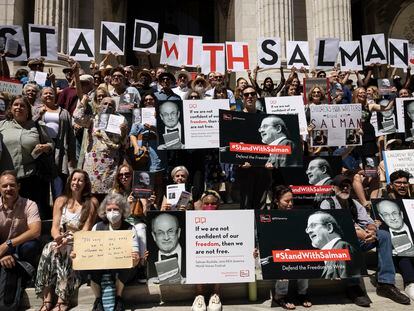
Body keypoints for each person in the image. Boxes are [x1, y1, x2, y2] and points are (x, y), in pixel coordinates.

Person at [320, 174, 411, 306]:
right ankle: (353, 286)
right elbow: (335, 228)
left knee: (384, 235)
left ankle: (386, 283)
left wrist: (372, 231)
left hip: (362, 238)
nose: (345, 188)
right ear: (333, 188)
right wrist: (358, 234)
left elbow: (368, 221)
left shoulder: (354, 203)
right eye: (341, 186)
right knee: (347, 241)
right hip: (340, 244)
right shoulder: (327, 203)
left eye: (348, 186)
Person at [35, 169, 98, 311]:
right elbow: (54, 228)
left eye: (80, 180)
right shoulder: (60, 200)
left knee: (66, 250)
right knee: (49, 248)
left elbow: (86, 230)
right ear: (70, 181)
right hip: (61, 239)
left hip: (79, 242)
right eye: (74, 179)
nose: (76, 183)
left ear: (86, 183)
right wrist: (58, 238)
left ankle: (63, 299)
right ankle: (47, 299)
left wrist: (68, 239)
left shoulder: (91, 202)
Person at [72, 193, 141, 311]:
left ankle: (118, 297)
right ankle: (98, 299)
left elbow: (135, 252)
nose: (112, 212)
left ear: (123, 211)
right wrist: (77, 255)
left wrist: (135, 257)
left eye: (116, 209)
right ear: (104, 211)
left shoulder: (130, 228)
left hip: (121, 269)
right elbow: (89, 250)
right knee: (84, 266)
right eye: (109, 209)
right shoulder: (97, 227)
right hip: (101, 266)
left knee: (129, 264)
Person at [0, 95, 54, 219]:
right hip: (7, 179)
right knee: (7, 212)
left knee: (29, 213)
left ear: (28, 110)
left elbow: (51, 143)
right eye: (16, 105)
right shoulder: (2, 126)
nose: (19, 107)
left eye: (22, 105)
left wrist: (45, 147)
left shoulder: (37, 126)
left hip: (30, 177)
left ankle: (31, 237)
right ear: (11, 108)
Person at [74, 96, 128, 201]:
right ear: (99, 106)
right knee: (91, 195)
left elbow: (124, 144)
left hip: (110, 165)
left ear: (115, 109)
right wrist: (83, 101)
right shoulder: (92, 120)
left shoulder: (120, 122)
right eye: (105, 103)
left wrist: (123, 132)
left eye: (111, 104)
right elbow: (77, 117)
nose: (107, 106)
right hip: (93, 164)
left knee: (109, 195)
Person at [0, 171, 41, 291]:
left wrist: (8, 244)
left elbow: (35, 231)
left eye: (12, 185)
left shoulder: (29, 204)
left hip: (20, 247)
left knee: (31, 246)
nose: (9, 188)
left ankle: (26, 275)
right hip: (1, 248)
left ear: (18, 186)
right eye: (4, 186)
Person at [272, 186, 312, 309]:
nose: (290, 204)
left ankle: (302, 293)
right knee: (284, 258)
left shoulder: (298, 216)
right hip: (275, 253)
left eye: (292, 201)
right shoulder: (268, 217)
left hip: (294, 249)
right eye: (286, 201)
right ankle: (280, 295)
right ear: (276, 201)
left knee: (305, 256)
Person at [33, 87, 76, 199]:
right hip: (42, 148)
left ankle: (59, 204)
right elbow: (29, 125)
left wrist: (72, 156)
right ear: (41, 96)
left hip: (60, 148)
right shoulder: (35, 110)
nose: (48, 95)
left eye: (51, 93)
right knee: (43, 180)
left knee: (59, 179)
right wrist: (39, 115)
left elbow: (70, 135)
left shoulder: (64, 112)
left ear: (55, 96)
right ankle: (45, 211)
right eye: (45, 93)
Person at [305, 211, 361, 279]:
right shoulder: (332, 253)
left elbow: (346, 283)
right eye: (307, 228)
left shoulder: (341, 247)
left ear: (329, 228)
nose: (308, 231)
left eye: (313, 225)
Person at [191, 190, 223, 311]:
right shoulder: (193, 219)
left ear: (218, 205)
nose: (209, 206)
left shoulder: (229, 219)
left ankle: (216, 294)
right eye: (206, 203)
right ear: (201, 204)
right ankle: (199, 295)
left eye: (213, 204)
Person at [149, 212, 184, 283]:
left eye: (170, 231)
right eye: (160, 233)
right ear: (154, 236)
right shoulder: (147, 259)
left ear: (179, 233)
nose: (166, 237)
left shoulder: (193, 255)